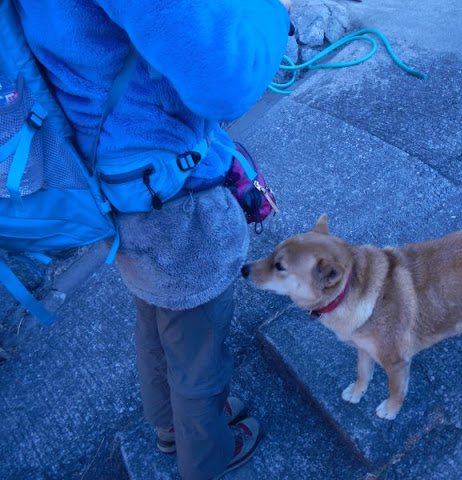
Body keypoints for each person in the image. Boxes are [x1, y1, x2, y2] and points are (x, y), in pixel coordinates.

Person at [15, 0, 291, 478]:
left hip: (108, 177)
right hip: (174, 197)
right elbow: (226, 79)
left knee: (155, 317)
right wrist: (272, 10)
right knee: (199, 351)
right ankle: (205, 456)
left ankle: (168, 426)